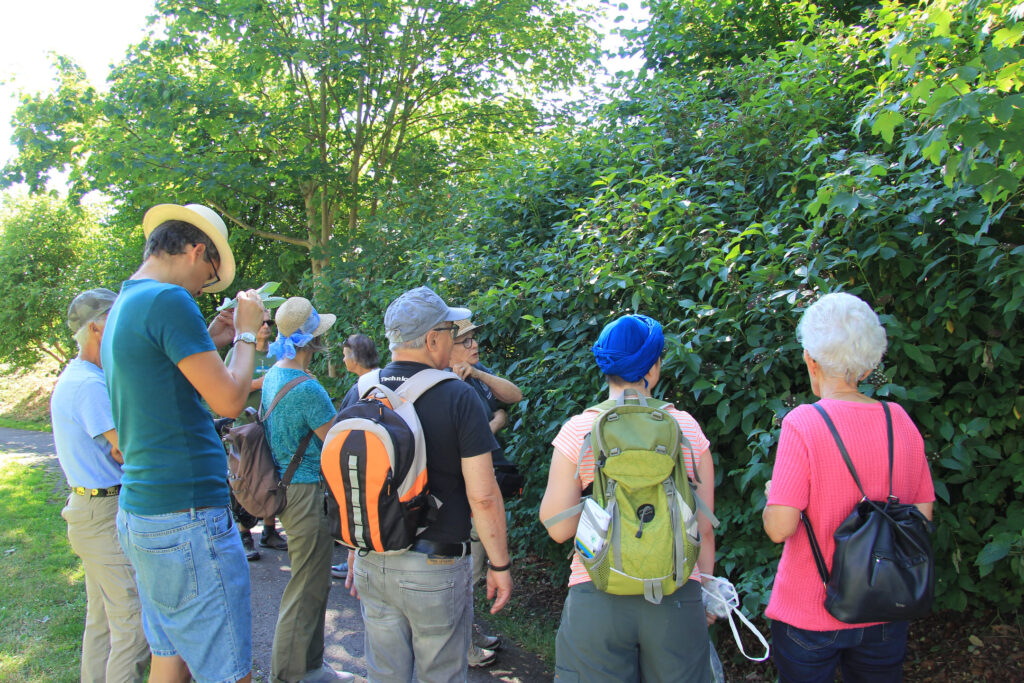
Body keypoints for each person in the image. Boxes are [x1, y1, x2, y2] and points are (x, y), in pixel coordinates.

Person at [101, 202, 265, 683]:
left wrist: (214, 340)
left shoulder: (125, 304)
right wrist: (249, 332)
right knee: (229, 670)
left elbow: (161, 381)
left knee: (169, 659)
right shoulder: (169, 301)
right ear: (196, 251)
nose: (205, 290)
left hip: (145, 513)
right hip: (186, 516)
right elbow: (231, 399)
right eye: (209, 277)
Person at [339, 285, 513, 682]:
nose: (455, 339)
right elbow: (483, 496)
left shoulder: (361, 390)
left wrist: (353, 548)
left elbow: (353, 481)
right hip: (435, 565)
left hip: (373, 559)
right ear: (433, 338)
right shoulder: (457, 396)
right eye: (451, 330)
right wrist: (499, 563)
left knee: (385, 674)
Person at [762, 292, 936, 683]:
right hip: (886, 605)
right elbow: (921, 519)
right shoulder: (900, 421)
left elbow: (779, 528)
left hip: (810, 612)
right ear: (869, 359)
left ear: (811, 359)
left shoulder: (803, 423)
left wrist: (776, 495)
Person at [539, 313, 716, 682]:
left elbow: (557, 527)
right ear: (653, 367)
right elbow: (705, 528)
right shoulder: (686, 429)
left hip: (597, 589)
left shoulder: (579, 430)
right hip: (677, 589)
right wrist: (708, 590)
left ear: (605, 367)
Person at [51, 288, 150, 683]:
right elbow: (128, 450)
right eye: (115, 320)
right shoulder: (89, 384)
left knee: (104, 622)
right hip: (102, 513)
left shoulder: (82, 376)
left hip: (93, 510)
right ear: (96, 327)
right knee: (134, 623)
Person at [262, 297, 355, 683]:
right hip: (306, 493)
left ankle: (311, 667)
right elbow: (337, 443)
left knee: (313, 582)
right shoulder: (307, 389)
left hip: (289, 489)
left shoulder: (273, 375)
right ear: (311, 343)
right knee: (305, 587)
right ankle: (287, 675)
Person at [448, 316, 523, 667]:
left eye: (475, 339)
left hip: (482, 485)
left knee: (470, 572)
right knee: (464, 572)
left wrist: (477, 374)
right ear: (445, 346)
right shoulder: (446, 386)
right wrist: (491, 426)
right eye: (465, 341)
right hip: (465, 495)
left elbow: (513, 396)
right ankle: (463, 648)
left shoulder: (472, 377)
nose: (474, 345)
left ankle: (469, 634)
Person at [224, 310, 287, 558]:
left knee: (272, 476)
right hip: (244, 425)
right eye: (261, 321)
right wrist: (259, 384)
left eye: (269, 322)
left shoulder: (277, 352)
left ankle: (269, 531)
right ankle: (244, 534)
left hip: (272, 424)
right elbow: (229, 384)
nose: (265, 326)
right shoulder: (239, 352)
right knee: (244, 477)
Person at [330, 333, 381, 581]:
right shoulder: (386, 379)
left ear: (353, 358)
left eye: (344, 355)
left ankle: (356, 556)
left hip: (362, 462)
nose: (343, 360)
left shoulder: (359, 388)